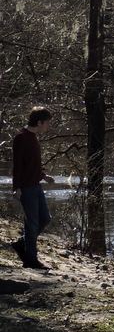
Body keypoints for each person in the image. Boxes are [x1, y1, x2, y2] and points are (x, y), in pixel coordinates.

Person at [11, 107, 55, 270]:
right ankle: (31, 260)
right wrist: (17, 188)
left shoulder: (33, 137)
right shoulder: (21, 137)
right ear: (39, 122)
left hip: (36, 186)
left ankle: (21, 243)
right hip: (26, 188)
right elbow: (17, 165)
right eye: (47, 123)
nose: (48, 126)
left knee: (45, 219)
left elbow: (32, 164)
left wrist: (44, 176)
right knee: (32, 224)